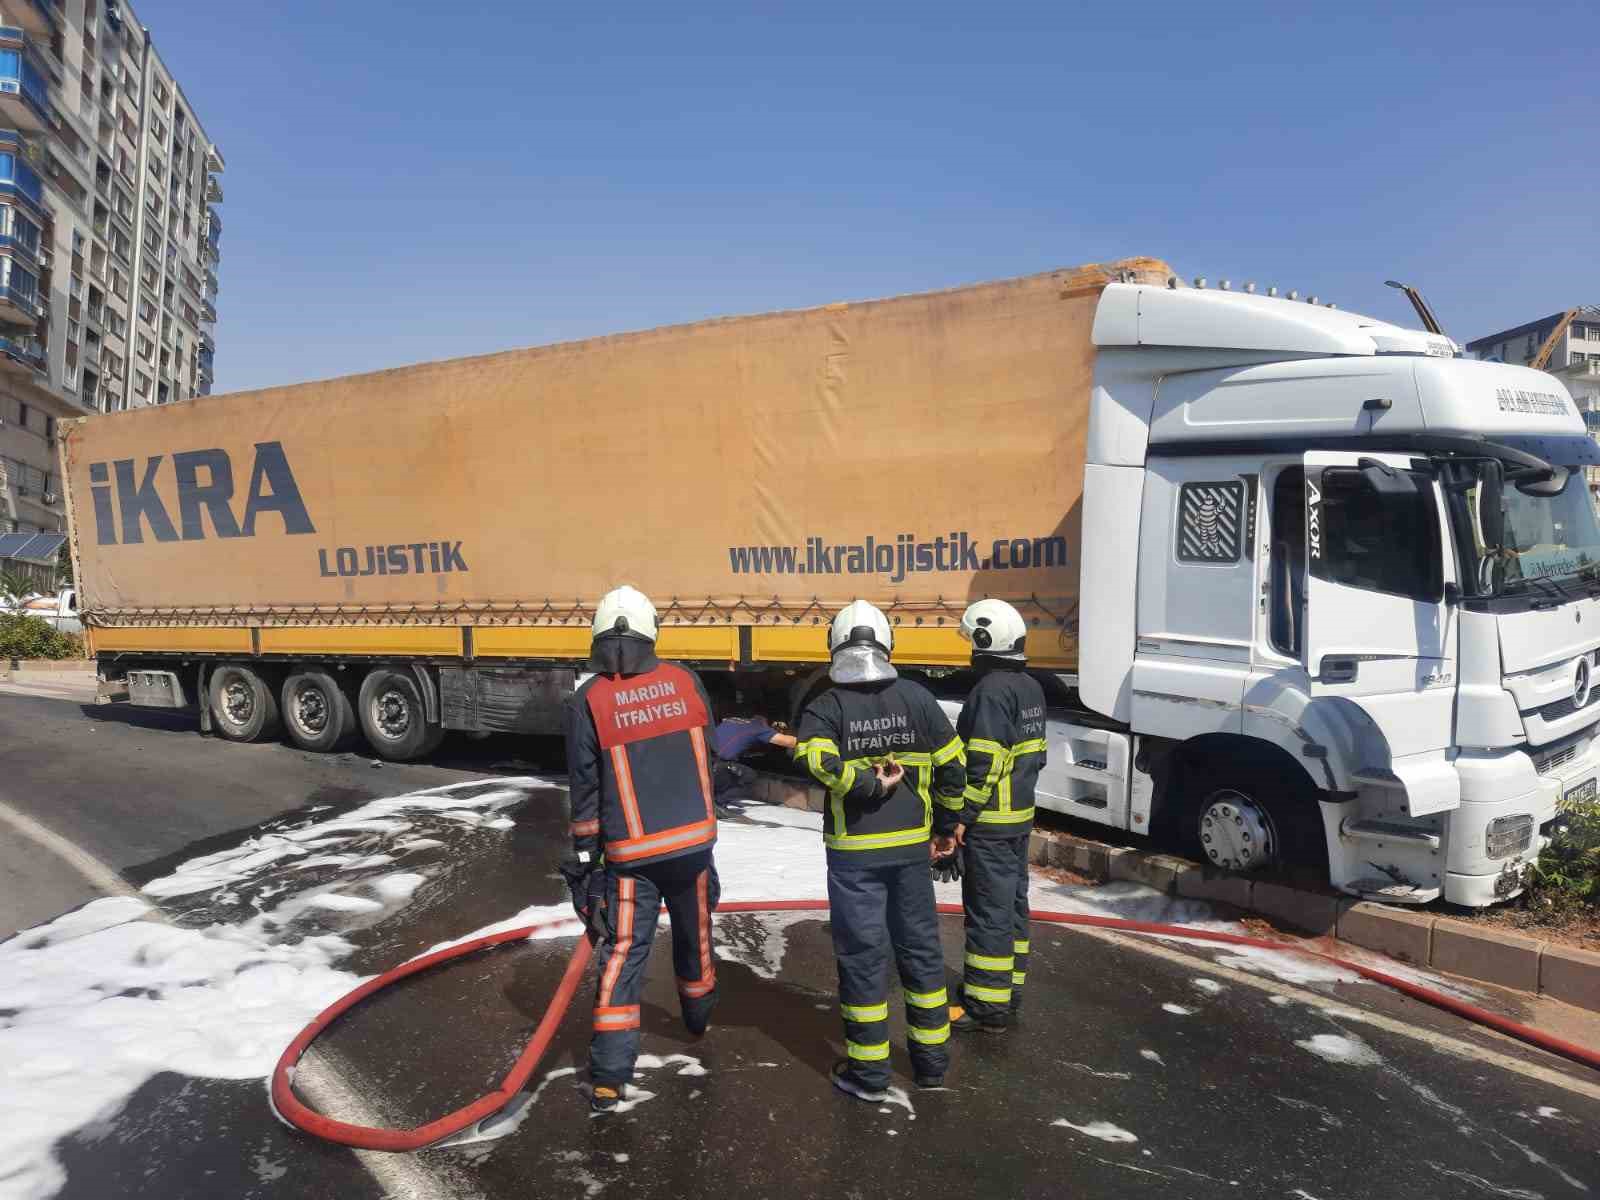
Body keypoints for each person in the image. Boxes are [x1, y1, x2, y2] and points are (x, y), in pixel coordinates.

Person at [794, 599, 966, 1101]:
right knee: (921, 951)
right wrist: (948, 827)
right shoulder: (917, 698)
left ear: (836, 646)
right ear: (888, 644)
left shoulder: (826, 705)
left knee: (865, 958)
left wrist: (865, 787)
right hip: (912, 851)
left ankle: (869, 1075)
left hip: (855, 858)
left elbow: (816, 761)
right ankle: (932, 1064)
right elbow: (953, 768)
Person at [561, 585, 721, 1113]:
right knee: (695, 936)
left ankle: (609, 1076)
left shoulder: (588, 701)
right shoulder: (686, 680)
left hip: (631, 861)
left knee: (624, 953)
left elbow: (585, 793)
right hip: (694, 848)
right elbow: (709, 756)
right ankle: (697, 1020)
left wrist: (586, 867)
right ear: (651, 630)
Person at [948, 599, 1047, 1033]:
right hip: (1019, 818)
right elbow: (1034, 755)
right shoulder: (1030, 687)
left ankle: (986, 1006)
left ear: (985, 642)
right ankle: (1009, 989)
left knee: (987, 912)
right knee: (1012, 907)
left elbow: (983, 761)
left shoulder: (990, 692)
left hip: (990, 822)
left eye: (972, 640)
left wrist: (962, 816)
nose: (969, 648)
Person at [710, 716, 798, 813]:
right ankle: (718, 803)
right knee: (749, 776)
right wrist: (811, 740)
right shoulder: (758, 727)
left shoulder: (732, 720)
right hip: (716, 766)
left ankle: (711, 797)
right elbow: (789, 742)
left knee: (732, 768)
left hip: (701, 761)